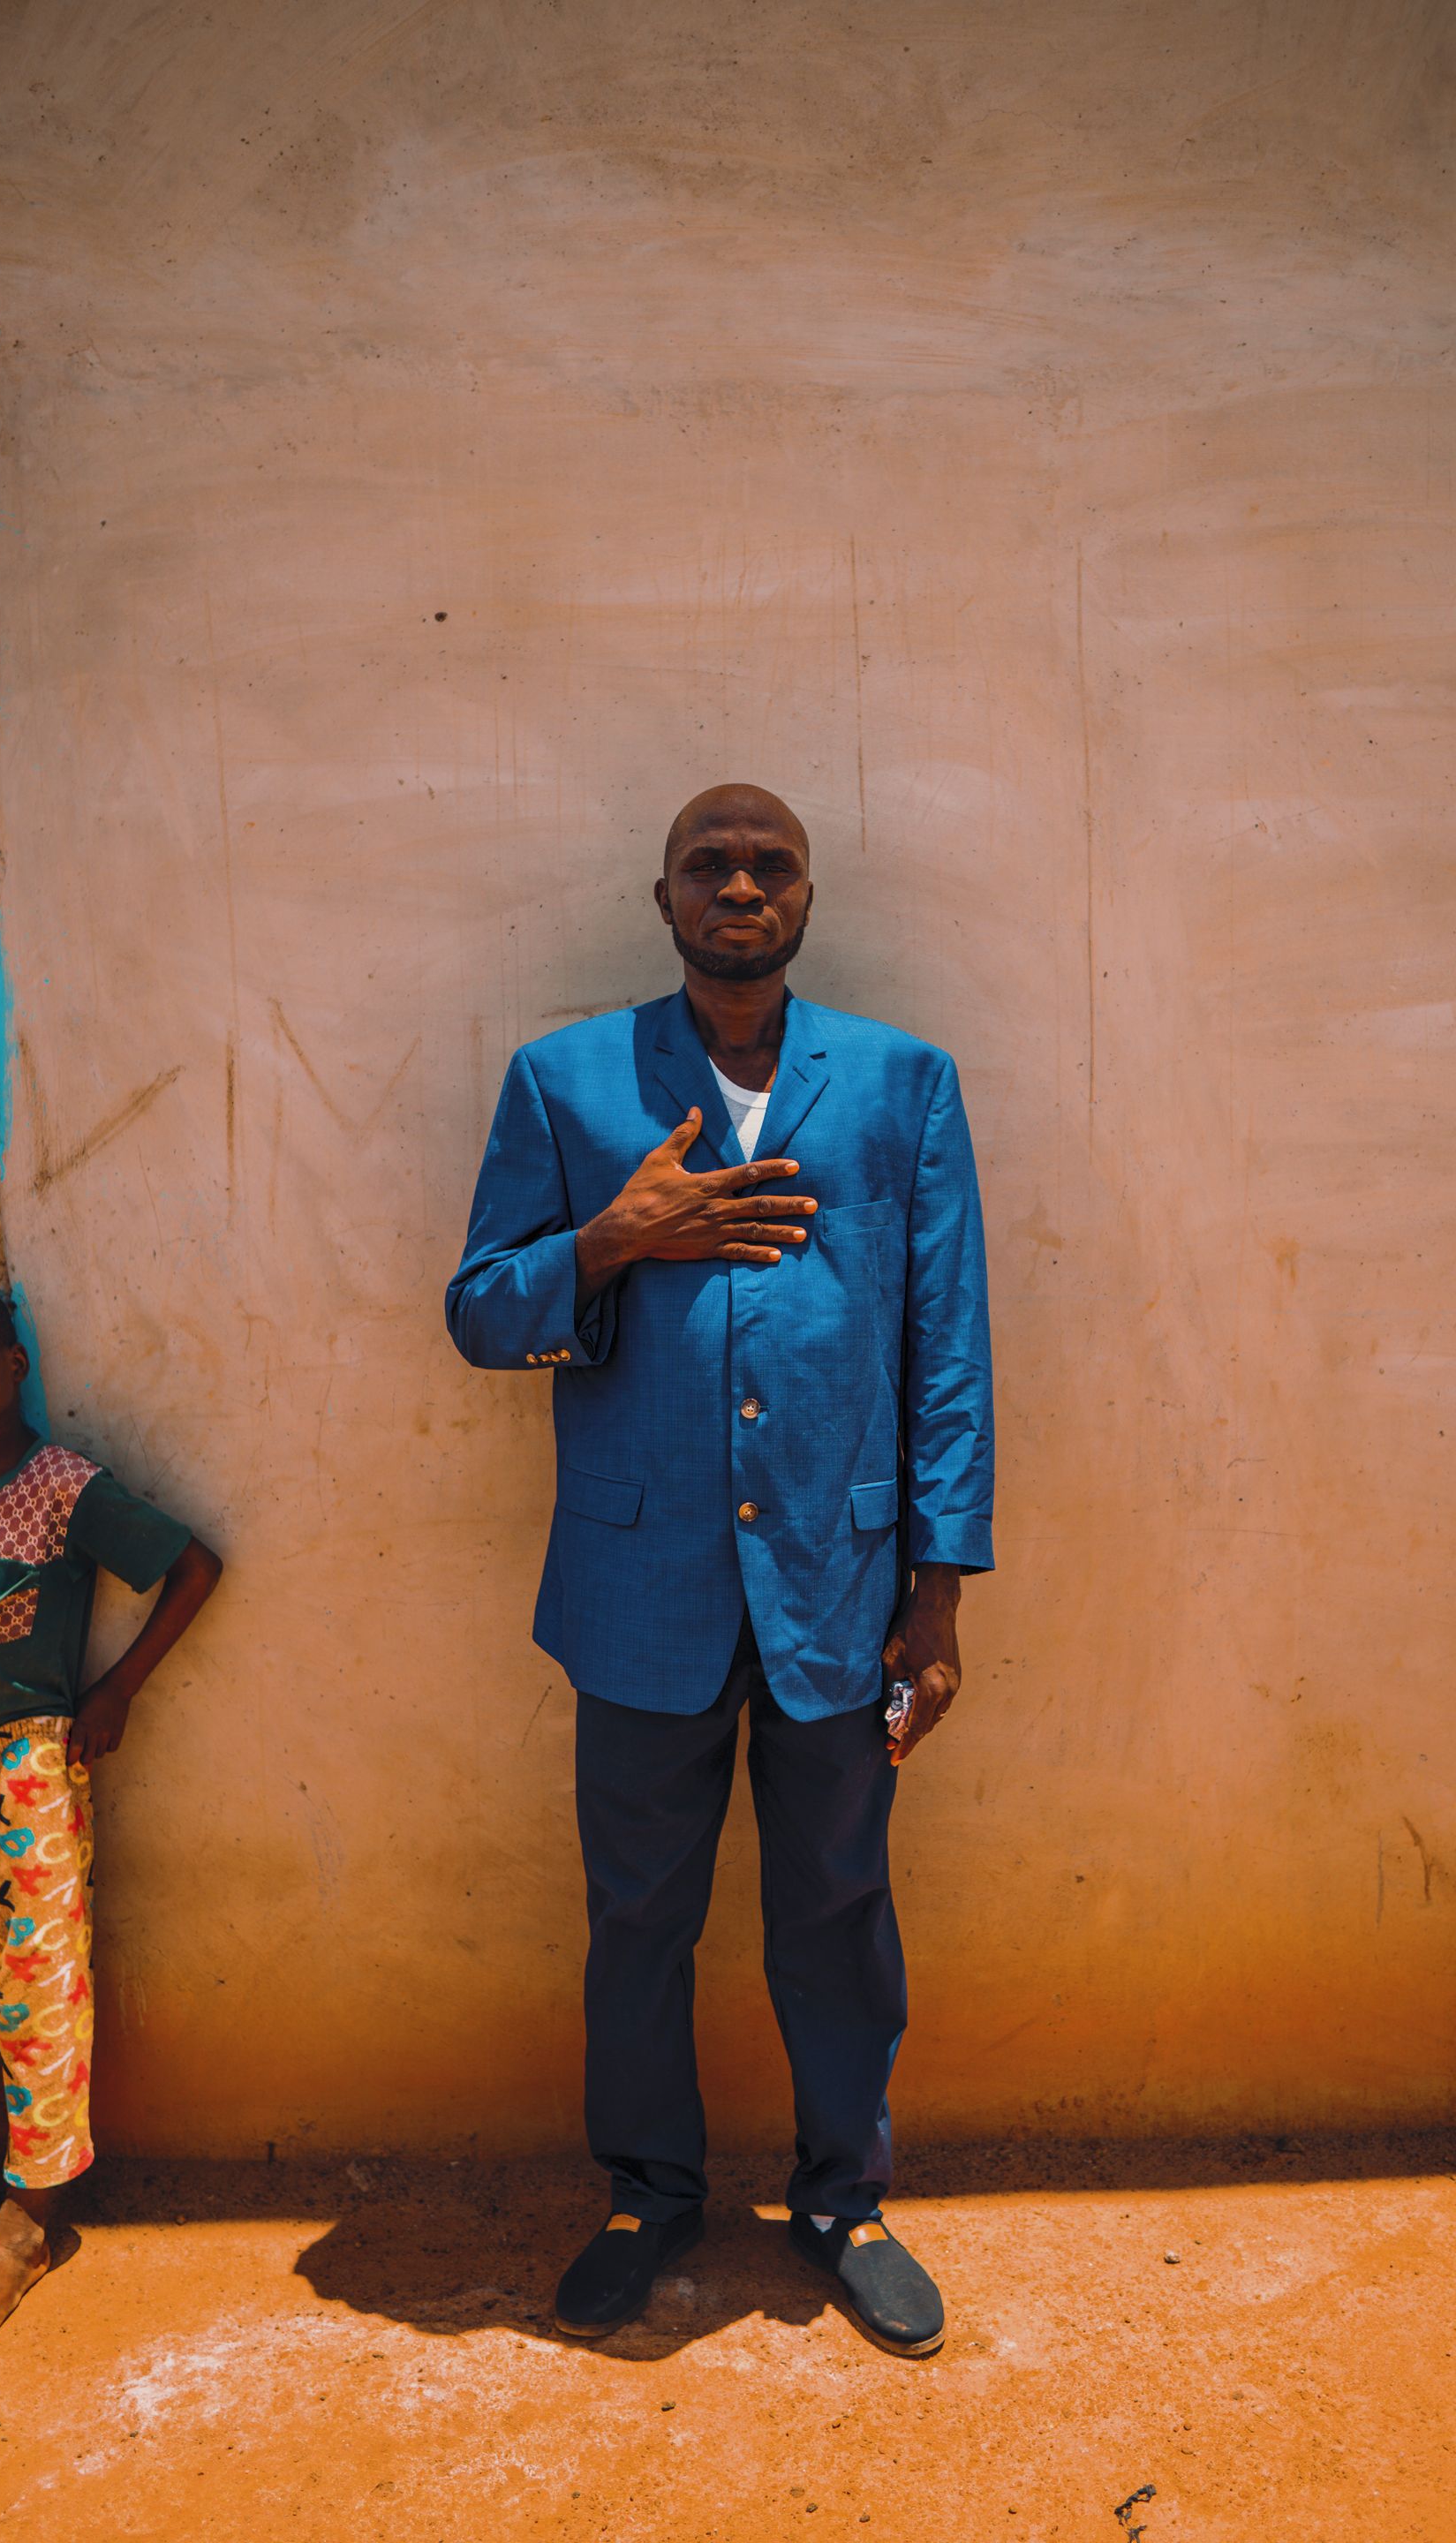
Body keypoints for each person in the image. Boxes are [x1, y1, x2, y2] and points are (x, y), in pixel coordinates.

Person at [446, 783, 993, 2358]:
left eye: (770, 866)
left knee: (836, 1905)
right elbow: (484, 1311)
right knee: (638, 1915)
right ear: (665, 894)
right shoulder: (566, 1081)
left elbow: (944, 1343)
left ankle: (844, 2195)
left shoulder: (903, 1083)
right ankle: (648, 2191)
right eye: (711, 865)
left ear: (808, 897)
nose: (740, 884)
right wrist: (614, 1237)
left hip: (841, 1578)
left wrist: (938, 1592)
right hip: (639, 1590)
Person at [0, 1283, 222, 2360]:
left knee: (40, 1986)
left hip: (32, 1771)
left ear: (15, 1362)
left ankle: (30, 2222)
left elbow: (192, 1567)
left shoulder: (63, 1486)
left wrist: (118, 1688)